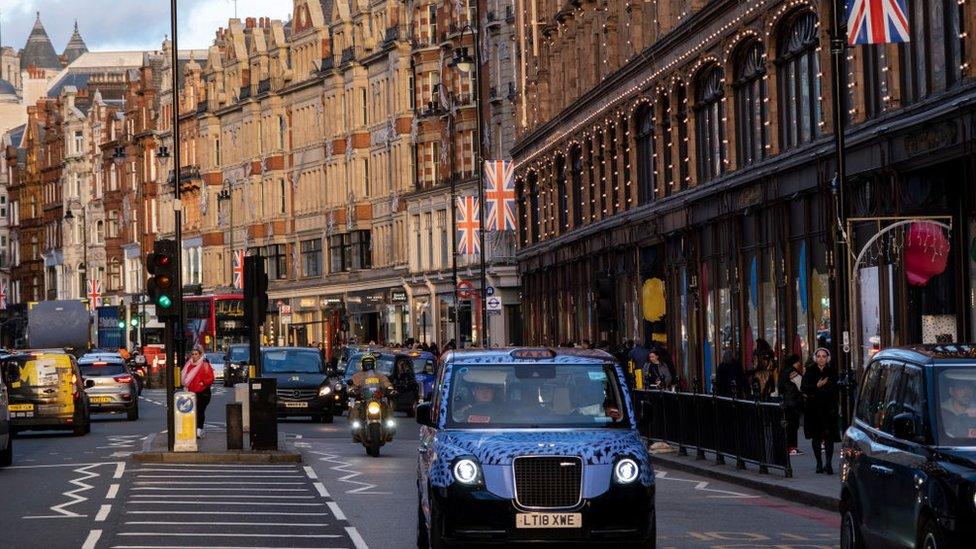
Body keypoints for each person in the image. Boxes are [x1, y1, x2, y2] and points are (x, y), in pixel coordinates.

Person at [802, 347, 840, 474]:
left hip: (828, 409)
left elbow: (835, 388)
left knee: (829, 437)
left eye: (824, 356)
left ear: (827, 358)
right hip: (814, 409)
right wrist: (816, 386)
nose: (821, 359)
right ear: (815, 358)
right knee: (816, 437)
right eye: (819, 356)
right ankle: (819, 463)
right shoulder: (810, 371)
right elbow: (804, 388)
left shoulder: (832, 371)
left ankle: (828, 463)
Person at [181, 345, 215, 439]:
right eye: (192, 354)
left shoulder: (205, 365)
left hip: (203, 392)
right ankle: (193, 429)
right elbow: (184, 378)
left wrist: (203, 382)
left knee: (200, 411)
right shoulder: (188, 365)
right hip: (191, 392)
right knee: (192, 412)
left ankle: (199, 430)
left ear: (200, 355)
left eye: (196, 354)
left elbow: (211, 378)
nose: (194, 356)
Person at [777, 354, 805, 455]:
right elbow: (802, 386)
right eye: (798, 362)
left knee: (788, 427)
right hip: (793, 403)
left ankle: (787, 447)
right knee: (793, 427)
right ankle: (792, 448)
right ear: (794, 363)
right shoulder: (793, 372)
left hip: (786, 403)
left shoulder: (783, 372)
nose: (799, 364)